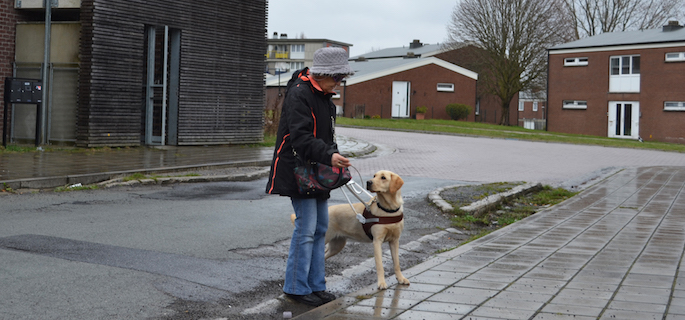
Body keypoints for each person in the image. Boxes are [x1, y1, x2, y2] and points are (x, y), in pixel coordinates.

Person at [265, 47, 354, 307]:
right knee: (306, 230)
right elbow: (301, 138)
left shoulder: (324, 97)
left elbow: (326, 138)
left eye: (341, 79)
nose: (339, 83)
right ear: (323, 73)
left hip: (317, 172)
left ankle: (316, 285)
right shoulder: (299, 94)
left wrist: (333, 158)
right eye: (337, 78)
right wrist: (329, 157)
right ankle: (295, 287)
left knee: (321, 228)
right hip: (298, 170)